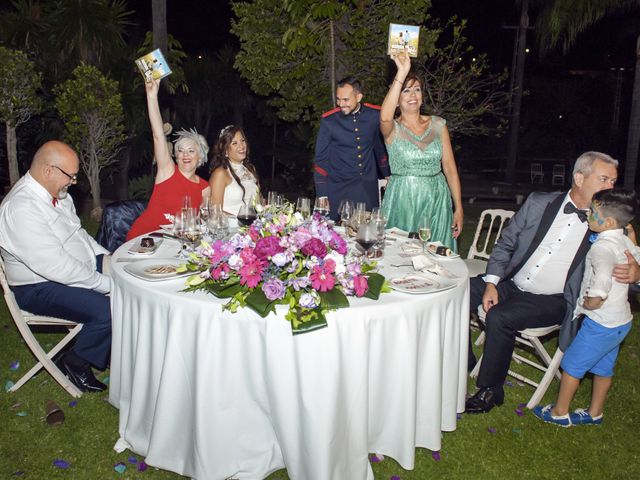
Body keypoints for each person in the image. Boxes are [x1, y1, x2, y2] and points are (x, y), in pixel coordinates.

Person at [465, 151, 640, 414]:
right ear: (579, 178)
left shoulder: (611, 224)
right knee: (456, 289)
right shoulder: (539, 203)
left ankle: (491, 389)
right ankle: (463, 361)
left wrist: (636, 273)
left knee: (500, 316)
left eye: (613, 182)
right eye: (604, 179)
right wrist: (492, 283)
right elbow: (506, 243)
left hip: (554, 299)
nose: (610, 187)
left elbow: (630, 269)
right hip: (511, 282)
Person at [0, 141, 111, 392]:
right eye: (70, 176)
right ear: (48, 170)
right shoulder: (21, 208)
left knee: (130, 275)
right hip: (38, 286)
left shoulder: (58, 195)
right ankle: (75, 362)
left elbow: (78, 235)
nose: (72, 182)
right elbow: (57, 267)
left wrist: (109, 258)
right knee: (109, 309)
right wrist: (105, 283)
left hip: (75, 266)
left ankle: (104, 346)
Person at [533, 188, 638, 426]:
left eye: (593, 211)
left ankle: (560, 413)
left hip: (600, 321)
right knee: (603, 367)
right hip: (620, 321)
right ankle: (595, 412)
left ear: (608, 222)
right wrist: (631, 234)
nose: (588, 213)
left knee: (571, 365)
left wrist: (593, 300)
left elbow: (601, 280)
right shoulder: (622, 239)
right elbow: (637, 254)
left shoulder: (602, 248)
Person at [379, 51, 463, 250]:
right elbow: (384, 117)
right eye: (406, 91)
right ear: (396, 98)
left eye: (417, 89)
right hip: (402, 199)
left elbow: (450, 168)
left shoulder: (438, 125)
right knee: (400, 258)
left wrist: (458, 206)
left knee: (438, 257)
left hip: (437, 199)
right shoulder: (392, 129)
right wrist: (402, 72)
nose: (413, 95)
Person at [126, 78, 210, 240]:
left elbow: (203, 220)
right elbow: (158, 136)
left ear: (200, 156)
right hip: (144, 240)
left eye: (191, 151)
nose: (185, 155)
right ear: (176, 155)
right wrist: (151, 96)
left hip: (174, 244)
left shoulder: (205, 188)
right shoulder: (167, 170)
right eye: (181, 151)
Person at [313, 76, 390, 220]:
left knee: (367, 233)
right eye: (338, 99)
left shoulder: (375, 115)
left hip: (366, 188)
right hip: (337, 188)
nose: (340, 104)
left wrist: (387, 174)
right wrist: (322, 193)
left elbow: (380, 149)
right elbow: (320, 160)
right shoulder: (329, 121)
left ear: (359, 97)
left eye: (345, 100)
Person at [208, 125, 260, 215]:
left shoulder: (250, 169)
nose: (242, 146)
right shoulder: (220, 173)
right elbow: (214, 211)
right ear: (225, 150)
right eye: (234, 143)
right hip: (229, 227)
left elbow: (259, 202)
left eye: (243, 141)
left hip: (251, 226)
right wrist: (240, 219)